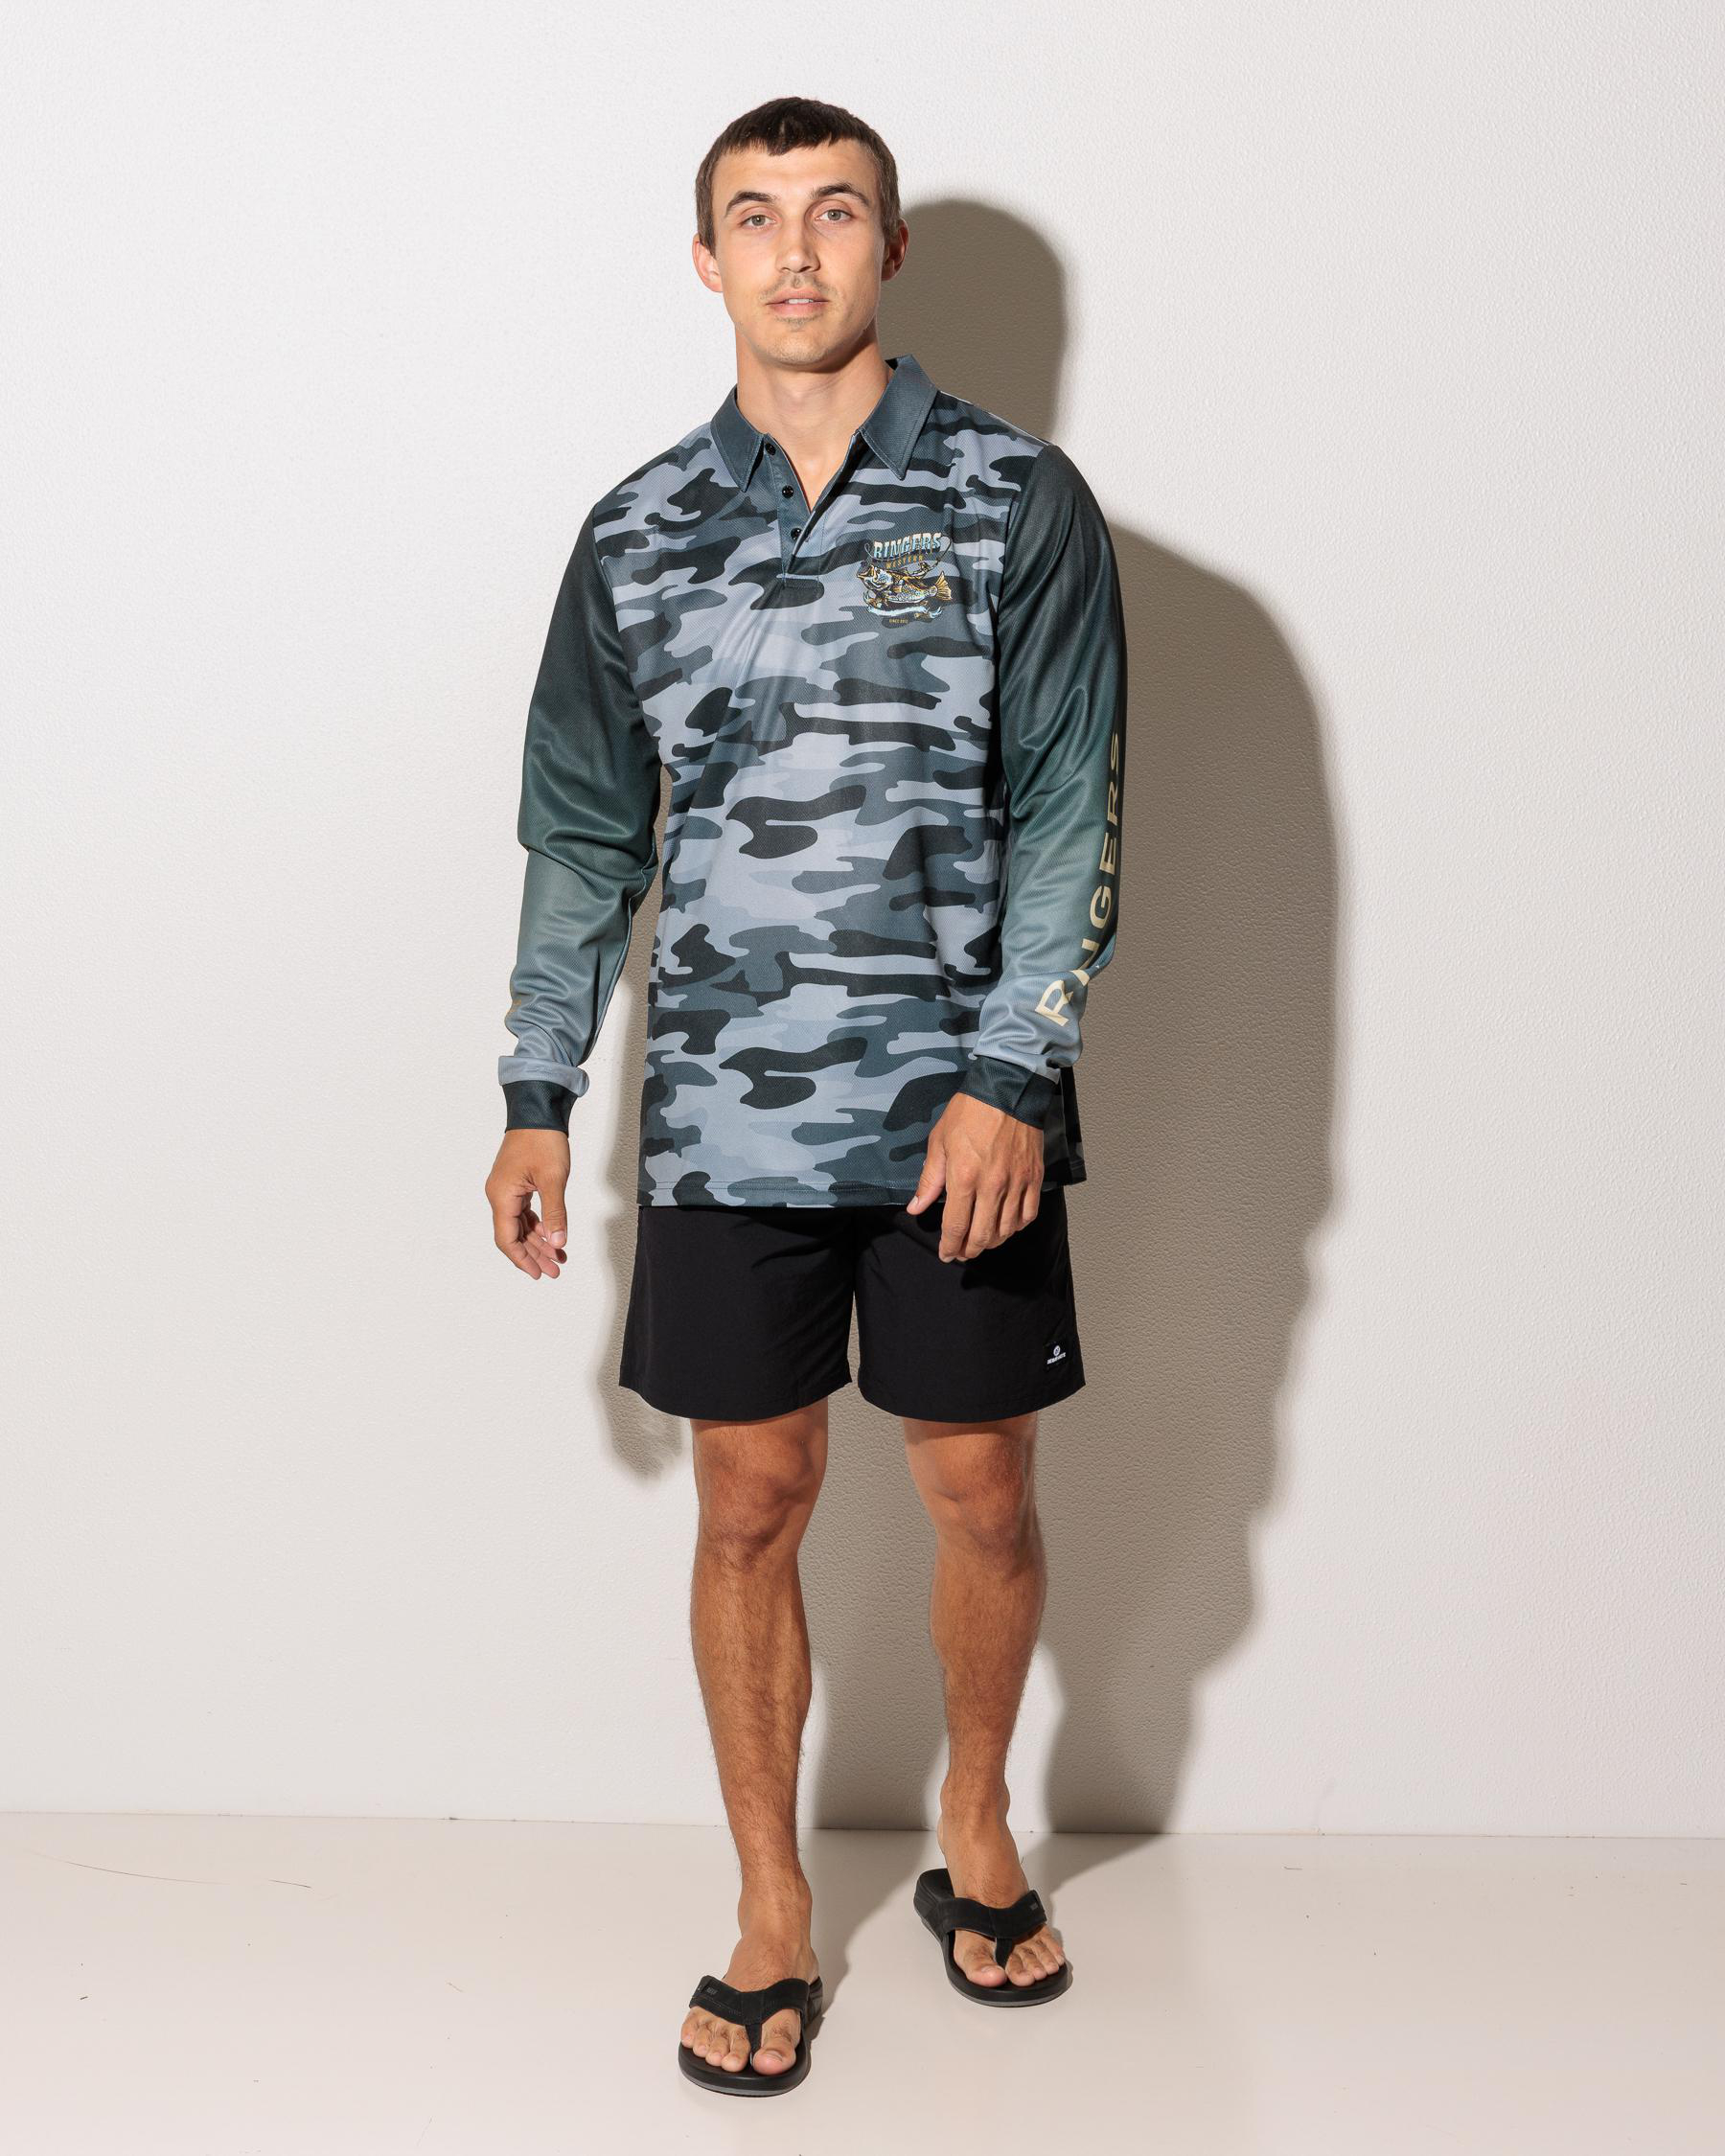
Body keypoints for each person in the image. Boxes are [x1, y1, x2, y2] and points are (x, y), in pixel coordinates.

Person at [484, 95, 1126, 2096]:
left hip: (963, 1116)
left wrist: (1013, 1070)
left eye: (835, 211)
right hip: (722, 1125)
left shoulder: (1016, 499)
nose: (794, 250)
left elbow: (1070, 810)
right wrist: (535, 1084)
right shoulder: (637, 529)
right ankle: (773, 1904)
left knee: (981, 1489)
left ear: (890, 248)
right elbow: (584, 832)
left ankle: (975, 1823)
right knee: (749, 1500)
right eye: (754, 216)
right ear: (706, 260)